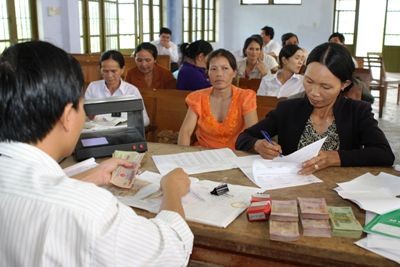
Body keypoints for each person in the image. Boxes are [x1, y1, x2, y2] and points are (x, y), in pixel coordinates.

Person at [0, 41, 193, 266]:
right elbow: (171, 249)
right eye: (82, 107)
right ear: (66, 116)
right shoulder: (88, 210)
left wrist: (90, 175)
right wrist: (172, 190)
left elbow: (30, 190)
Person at [236, 42, 394, 174]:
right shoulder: (288, 109)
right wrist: (258, 145)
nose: (314, 93)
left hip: (340, 192)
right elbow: (244, 138)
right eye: (309, 81)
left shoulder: (358, 112)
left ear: (344, 85)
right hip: (292, 187)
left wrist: (336, 157)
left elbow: (384, 154)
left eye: (325, 86)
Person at [178, 49, 258, 150]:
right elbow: (186, 131)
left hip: (236, 154)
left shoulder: (245, 97)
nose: (219, 74)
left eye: (225, 68)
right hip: (203, 154)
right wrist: (182, 155)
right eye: (214, 69)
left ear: (234, 73)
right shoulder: (197, 98)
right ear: (208, 73)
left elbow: (253, 133)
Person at [85, 50, 150, 126]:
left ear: (122, 69)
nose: (109, 75)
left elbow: (145, 120)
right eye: (105, 71)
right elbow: (83, 116)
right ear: (100, 70)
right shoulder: (93, 87)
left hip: (124, 133)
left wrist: (124, 125)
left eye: (113, 71)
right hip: (98, 134)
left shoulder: (132, 91)